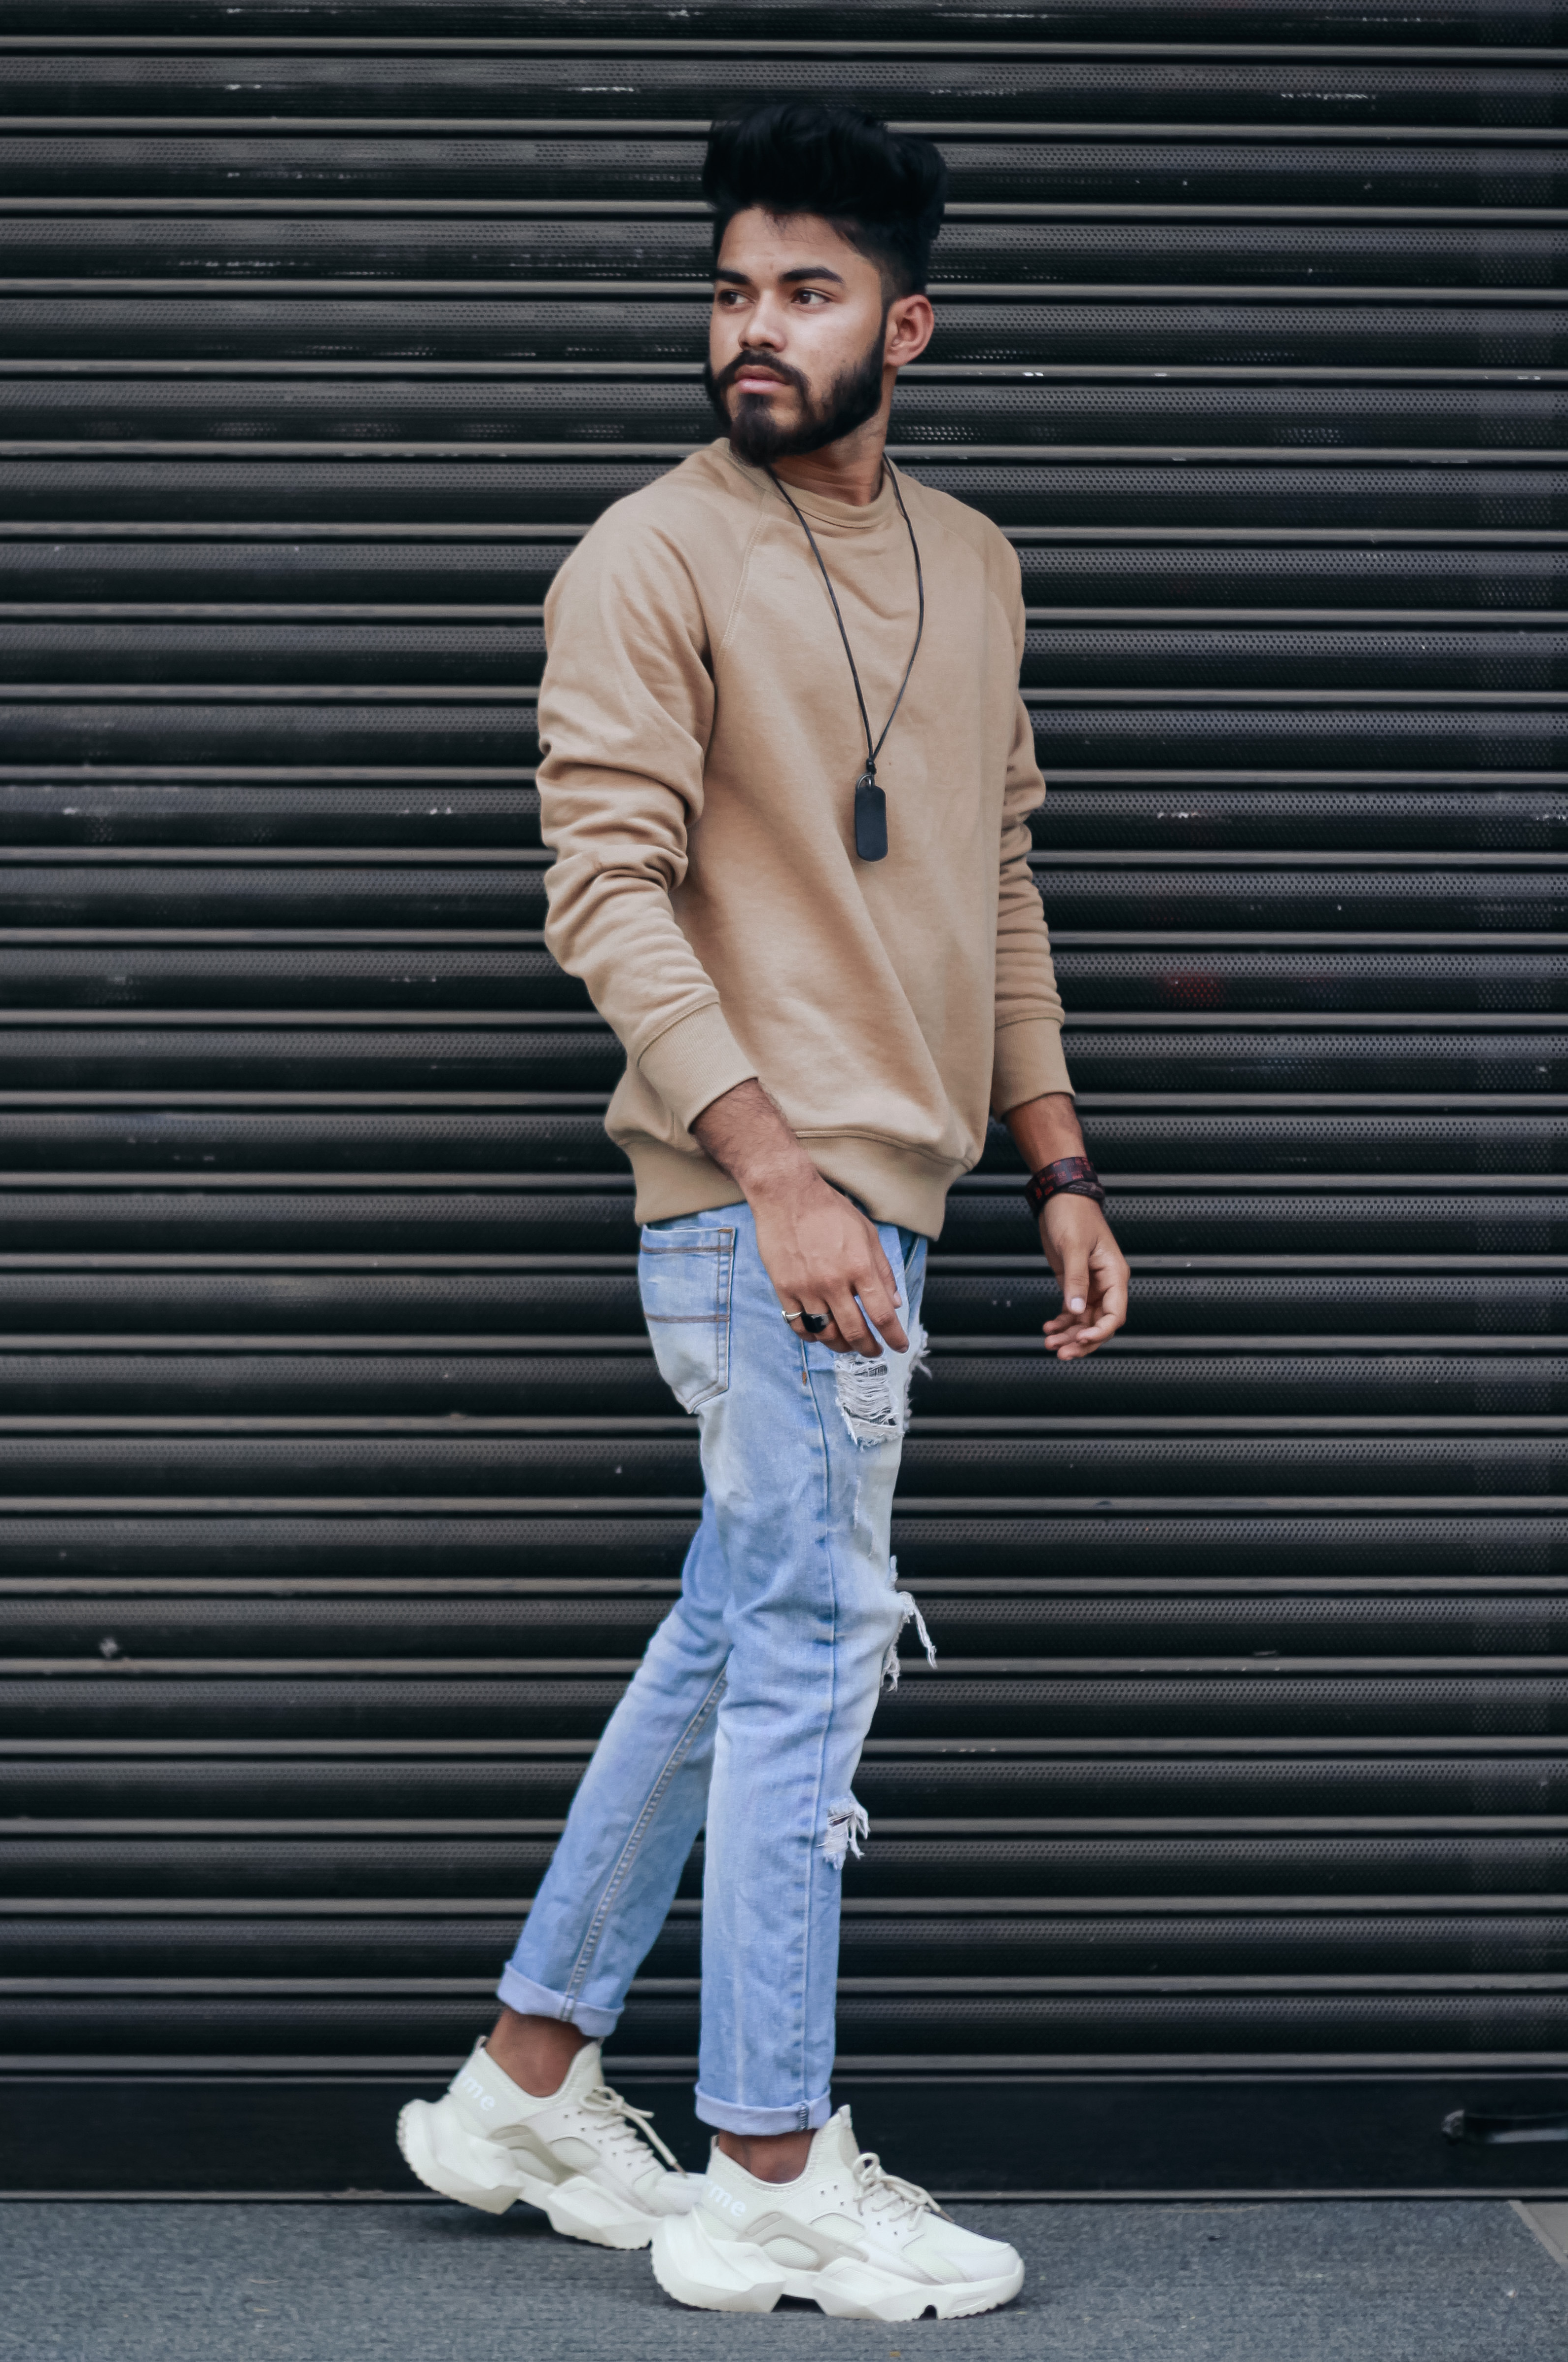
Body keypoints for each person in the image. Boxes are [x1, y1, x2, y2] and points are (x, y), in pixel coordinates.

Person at [396, 96, 1130, 2322]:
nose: (752, 327)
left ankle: (527, 2081)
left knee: (739, 1628)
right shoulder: (649, 555)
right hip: (761, 1207)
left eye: (806, 291)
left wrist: (1056, 1155)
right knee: (815, 1649)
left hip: (892, 1190)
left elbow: (993, 880)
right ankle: (770, 2169)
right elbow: (602, 892)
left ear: (905, 326)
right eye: (730, 288)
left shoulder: (976, 564)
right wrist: (778, 1170)